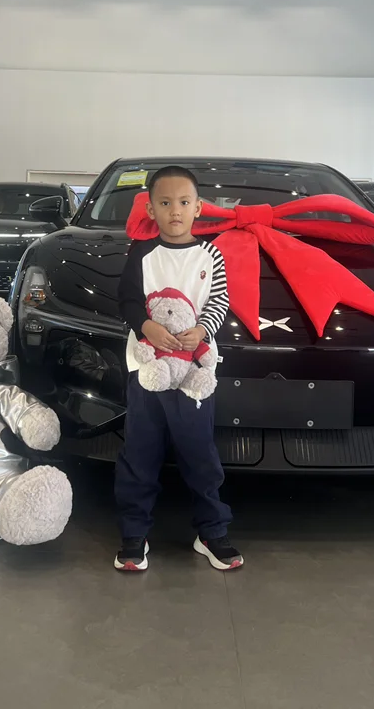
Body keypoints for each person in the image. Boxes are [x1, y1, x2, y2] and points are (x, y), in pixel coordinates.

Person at [114, 165, 243, 572]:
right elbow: (127, 300)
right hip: (147, 369)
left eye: (184, 202)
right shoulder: (140, 252)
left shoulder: (211, 255)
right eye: (165, 203)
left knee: (200, 452)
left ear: (198, 207)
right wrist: (146, 325)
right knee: (140, 451)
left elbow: (219, 303)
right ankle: (134, 534)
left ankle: (212, 532)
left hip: (193, 372)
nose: (175, 210)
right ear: (150, 209)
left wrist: (202, 330)